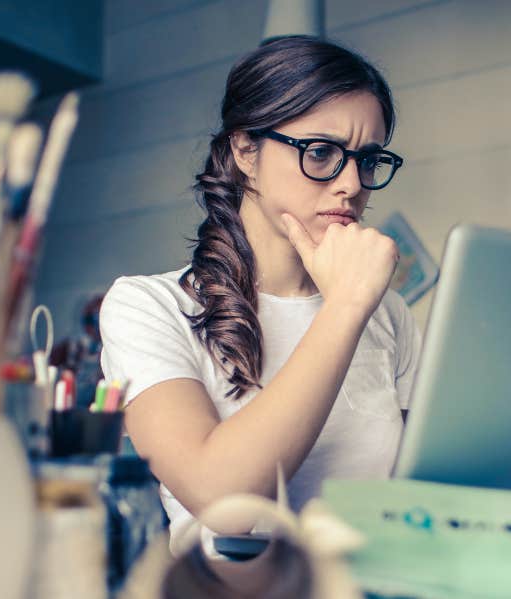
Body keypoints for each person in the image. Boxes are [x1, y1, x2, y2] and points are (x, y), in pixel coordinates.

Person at [98, 36, 421, 550]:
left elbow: (416, 503)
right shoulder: (148, 306)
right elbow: (224, 502)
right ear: (245, 151)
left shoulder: (390, 316)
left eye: (368, 159)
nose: (351, 185)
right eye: (320, 152)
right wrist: (344, 307)